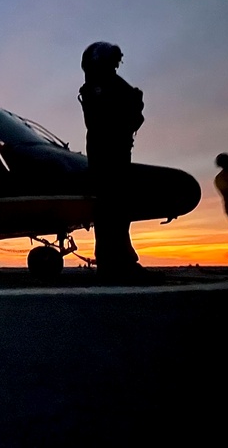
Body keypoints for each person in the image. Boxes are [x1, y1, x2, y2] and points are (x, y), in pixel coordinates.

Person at [78, 41, 155, 283]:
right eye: (111, 62)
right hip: (108, 155)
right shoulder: (99, 88)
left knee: (117, 210)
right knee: (113, 209)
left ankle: (119, 263)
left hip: (115, 152)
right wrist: (133, 104)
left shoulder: (105, 86)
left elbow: (129, 120)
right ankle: (115, 265)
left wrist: (134, 105)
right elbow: (110, 121)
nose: (115, 67)